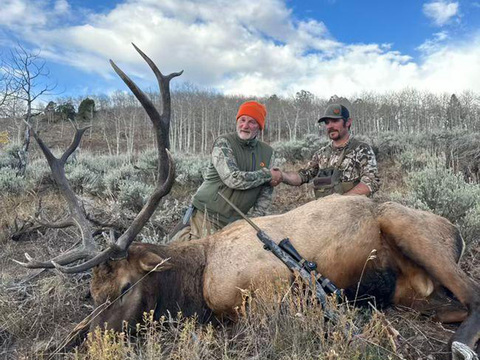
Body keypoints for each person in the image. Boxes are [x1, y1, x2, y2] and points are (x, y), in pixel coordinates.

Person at [171, 100, 282, 241]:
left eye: (252, 122)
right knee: (191, 257)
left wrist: (255, 220)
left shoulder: (268, 152)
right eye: (242, 120)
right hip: (207, 216)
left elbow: (266, 191)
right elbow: (233, 178)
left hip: (236, 223)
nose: (245, 126)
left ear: (259, 127)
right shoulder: (224, 143)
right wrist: (267, 174)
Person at [279, 104, 379, 197]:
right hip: (325, 213)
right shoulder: (321, 154)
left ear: (348, 122)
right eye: (327, 122)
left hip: (352, 212)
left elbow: (371, 181)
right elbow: (303, 176)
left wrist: (340, 202)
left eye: (335, 121)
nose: (330, 126)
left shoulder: (361, 150)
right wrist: (282, 176)